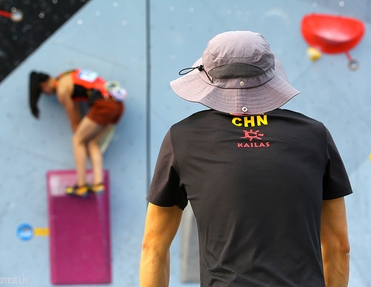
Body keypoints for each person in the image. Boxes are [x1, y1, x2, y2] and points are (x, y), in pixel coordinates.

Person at [139, 31, 352, 287]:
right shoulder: (315, 135)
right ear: (270, 74)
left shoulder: (182, 138)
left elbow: (153, 247)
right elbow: (339, 246)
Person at [29, 69, 125, 196]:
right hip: (117, 105)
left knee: (77, 140)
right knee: (92, 142)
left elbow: (74, 121)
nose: (47, 95)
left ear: (43, 85)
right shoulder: (68, 75)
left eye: (43, 93)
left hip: (104, 104)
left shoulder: (62, 90)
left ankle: (81, 185)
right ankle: (98, 183)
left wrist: (79, 139)